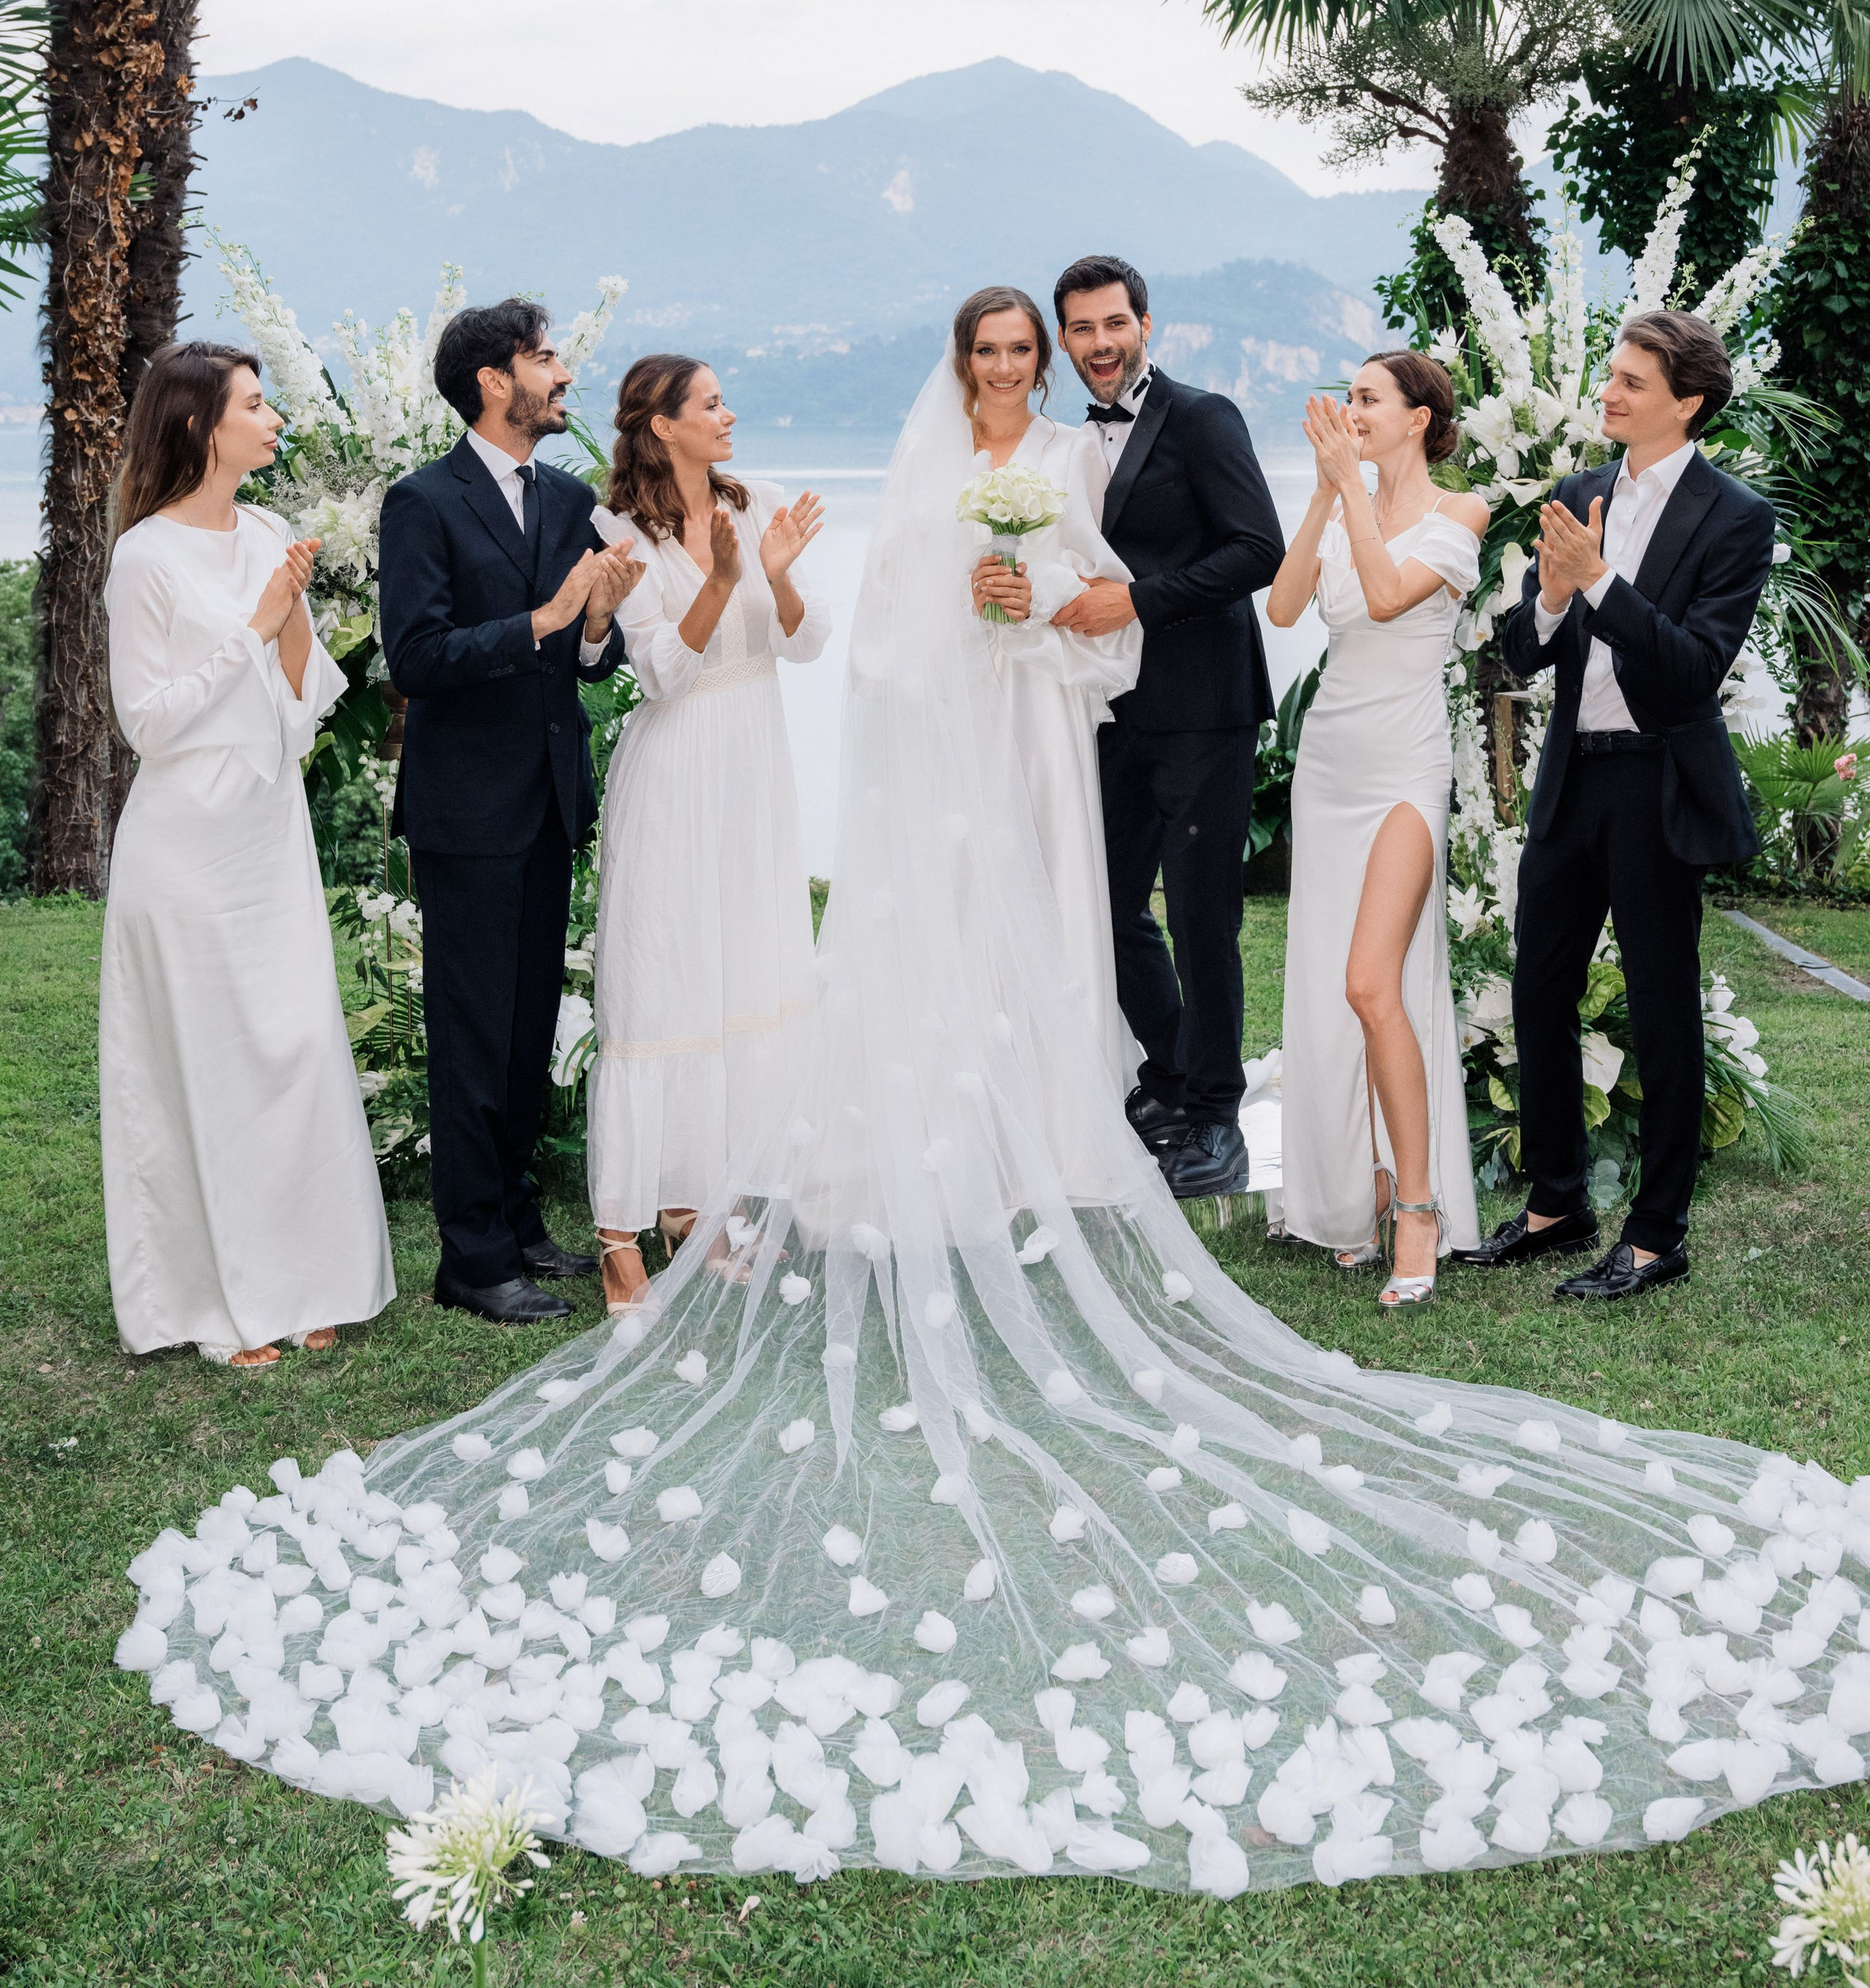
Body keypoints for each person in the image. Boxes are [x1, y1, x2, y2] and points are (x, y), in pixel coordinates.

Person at [131, 324, 1870, 1903]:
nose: (1025, 363)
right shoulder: (664, 507)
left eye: (1031, 343)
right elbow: (753, 645)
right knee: (804, 972)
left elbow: (1224, 593)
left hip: (1228, 729)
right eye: (1006, 344)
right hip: (805, 753)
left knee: (1188, 951)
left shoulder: (1130, 469)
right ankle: (595, 1214)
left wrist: (1032, 590)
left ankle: (1496, 1194)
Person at [1458, 310, 1775, 1303]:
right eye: (1613, 375)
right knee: (1540, 987)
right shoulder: (1580, 492)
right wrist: (1553, 596)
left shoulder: (1734, 516)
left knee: (1661, 1002)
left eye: (1633, 381)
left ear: (1685, 402)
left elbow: (1690, 670)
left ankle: (1656, 1233)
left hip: (1656, 783)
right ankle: (1557, 1203)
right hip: (1572, 775)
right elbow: (1524, 649)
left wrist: (1600, 581)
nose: (1611, 391)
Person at [99, 340, 394, 1367]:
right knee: (211, 1064)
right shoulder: (144, 557)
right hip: (187, 842)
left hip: (268, 830)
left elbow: (303, 700)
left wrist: (291, 626)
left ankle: (305, 1274)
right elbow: (149, 723)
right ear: (198, 425)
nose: (275, 421)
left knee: (295, 1046)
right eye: (257, 405)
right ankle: (216, 1300)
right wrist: (254, 625)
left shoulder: (267, 528)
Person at [378, 300, 642, 1328]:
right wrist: (542, 616)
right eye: (545, 360)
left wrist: (597, 622)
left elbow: (592, 655)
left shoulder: (571, 496)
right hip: (467, 810)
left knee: (532, 1026)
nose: (562, 376)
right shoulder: (423, 503)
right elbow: (417, 657)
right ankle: (472, 1256)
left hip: (547, 802)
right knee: (473, 1031)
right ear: (494, 380)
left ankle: (522, 1222)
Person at [584, 355, 829, 1309]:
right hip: (676, 773)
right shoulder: (621, 531)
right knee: (659, 987)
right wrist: (723, 582)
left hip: (754, 772)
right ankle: (619, 1233)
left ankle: (702, 1203)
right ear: (661, 428)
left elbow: (806, 643)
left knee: (739, 979)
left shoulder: (758, 498)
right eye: (711, 403)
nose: (730, 414)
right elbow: (659, 675)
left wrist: (774, 576)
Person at [1050, 253, 1284, 1198]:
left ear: (1147, 324)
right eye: (1082, 330)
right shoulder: (1070, 446)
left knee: (1200, 917)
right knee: (1104, 910)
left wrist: (1138, 603)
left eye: (1115, 324)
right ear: (1065, 340)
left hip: (1205, 713)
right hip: (1109, 713)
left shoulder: (1202, 417)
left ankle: (1216, 1116)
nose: (1100, 345)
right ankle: (1171, 1072)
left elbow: (1258, 548)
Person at [1266, 355, 1484, 1303]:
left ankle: (1420, 1209)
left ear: (1419, 419)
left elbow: (1391, 594)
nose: (1350, 411)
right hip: (1329, 764)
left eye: (1367, 399)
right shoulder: (1344, 496)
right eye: (1348, 398)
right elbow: (1281, 608)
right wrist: (1324, 496)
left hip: (1403, 765)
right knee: (1332, 979)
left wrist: (1350, 491)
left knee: (1373, 982)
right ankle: (1362, 1189)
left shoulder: (1460, 515)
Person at [950, 286, 1145, 1192]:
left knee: (1054, 881)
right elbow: (893, 594)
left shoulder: (1071, 452)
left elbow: (1109, 581)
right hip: (956, 701)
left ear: (1041, 358)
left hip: (1041, 698)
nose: (1003, 366)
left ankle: (1062, 1125)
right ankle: (965, 1108)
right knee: (959, 891)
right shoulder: (931, 455)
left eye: (1020, 348)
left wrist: (1045, 590)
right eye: (987, 349)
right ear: (964, 357)